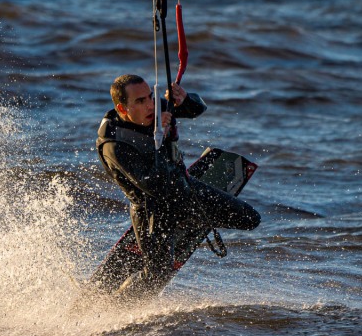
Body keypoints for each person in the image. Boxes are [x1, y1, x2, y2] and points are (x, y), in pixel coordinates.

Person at [93, 74, 260, 299]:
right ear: (123, 109)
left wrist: (185, 100)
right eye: (140, 101)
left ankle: (186, 221)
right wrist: (158, 138)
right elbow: (154, 185)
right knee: (157, 273)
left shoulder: (155, 109)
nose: (150, 105)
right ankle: (116, 306)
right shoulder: (114, 146)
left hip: (185, 189)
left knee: (250, 219)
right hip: (152, 209)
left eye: (150, 97)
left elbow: (197, 109)